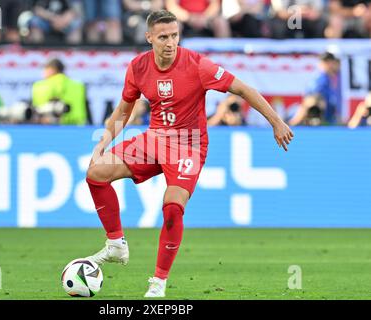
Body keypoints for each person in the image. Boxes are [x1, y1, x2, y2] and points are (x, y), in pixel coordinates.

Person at [84, 10, 293, 298]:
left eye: (174, 35)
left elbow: (243, 89)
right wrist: (105, 139)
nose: (170, 43)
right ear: (149, 38)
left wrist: (276, 121)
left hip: (189, 143)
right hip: (154, 138)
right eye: (163, 37)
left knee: (172, 208)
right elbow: (124, 109)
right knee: (96, 173)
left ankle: (157, 283)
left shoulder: (197, 65)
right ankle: (116, 244)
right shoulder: (137, 67)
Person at [289, 52, 342, 126]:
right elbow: (309, 101)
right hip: (320, 123)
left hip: (330, 121)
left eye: (330, 62)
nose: (329, 65)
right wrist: (294, 122)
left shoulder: (333, 79)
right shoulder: (320, 80)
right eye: (326, 62)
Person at [31, 58, 87, 125]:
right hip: (78, 125)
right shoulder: (79, 85)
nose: (43, 73)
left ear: (52, 70)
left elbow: (37, 110)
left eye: (45, 69)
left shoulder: (41, 85)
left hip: (53, 126)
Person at [166, 0, 231, 38]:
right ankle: (174, 58)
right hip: (184, 20)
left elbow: (215, 5)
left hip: (206, 20)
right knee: (174, 26)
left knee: (221, 23)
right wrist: (189, 18)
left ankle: (225, 56)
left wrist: (204, 18)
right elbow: (172, 6)